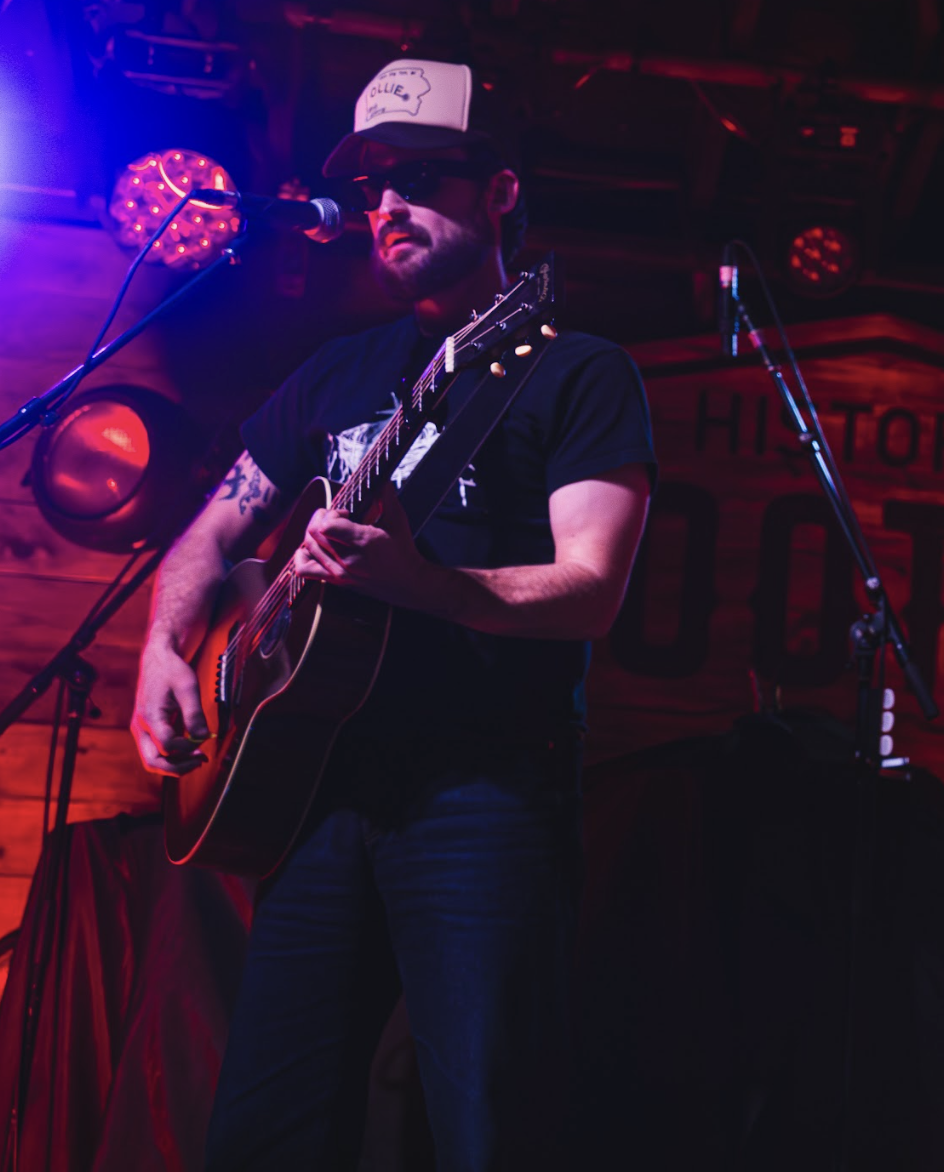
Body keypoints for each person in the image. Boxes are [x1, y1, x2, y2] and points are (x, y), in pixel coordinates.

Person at [130, 59, 654, 1169]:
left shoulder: (571, 371)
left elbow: (594, 586)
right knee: (263, 1132)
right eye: (370, 183)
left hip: (483, 791)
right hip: (316, 790)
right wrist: (165, 650)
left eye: (418, 176)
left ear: (500, 189)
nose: (385, 206)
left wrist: (427, 586)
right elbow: (210, 538)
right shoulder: (339, 371)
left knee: (486, 1126)